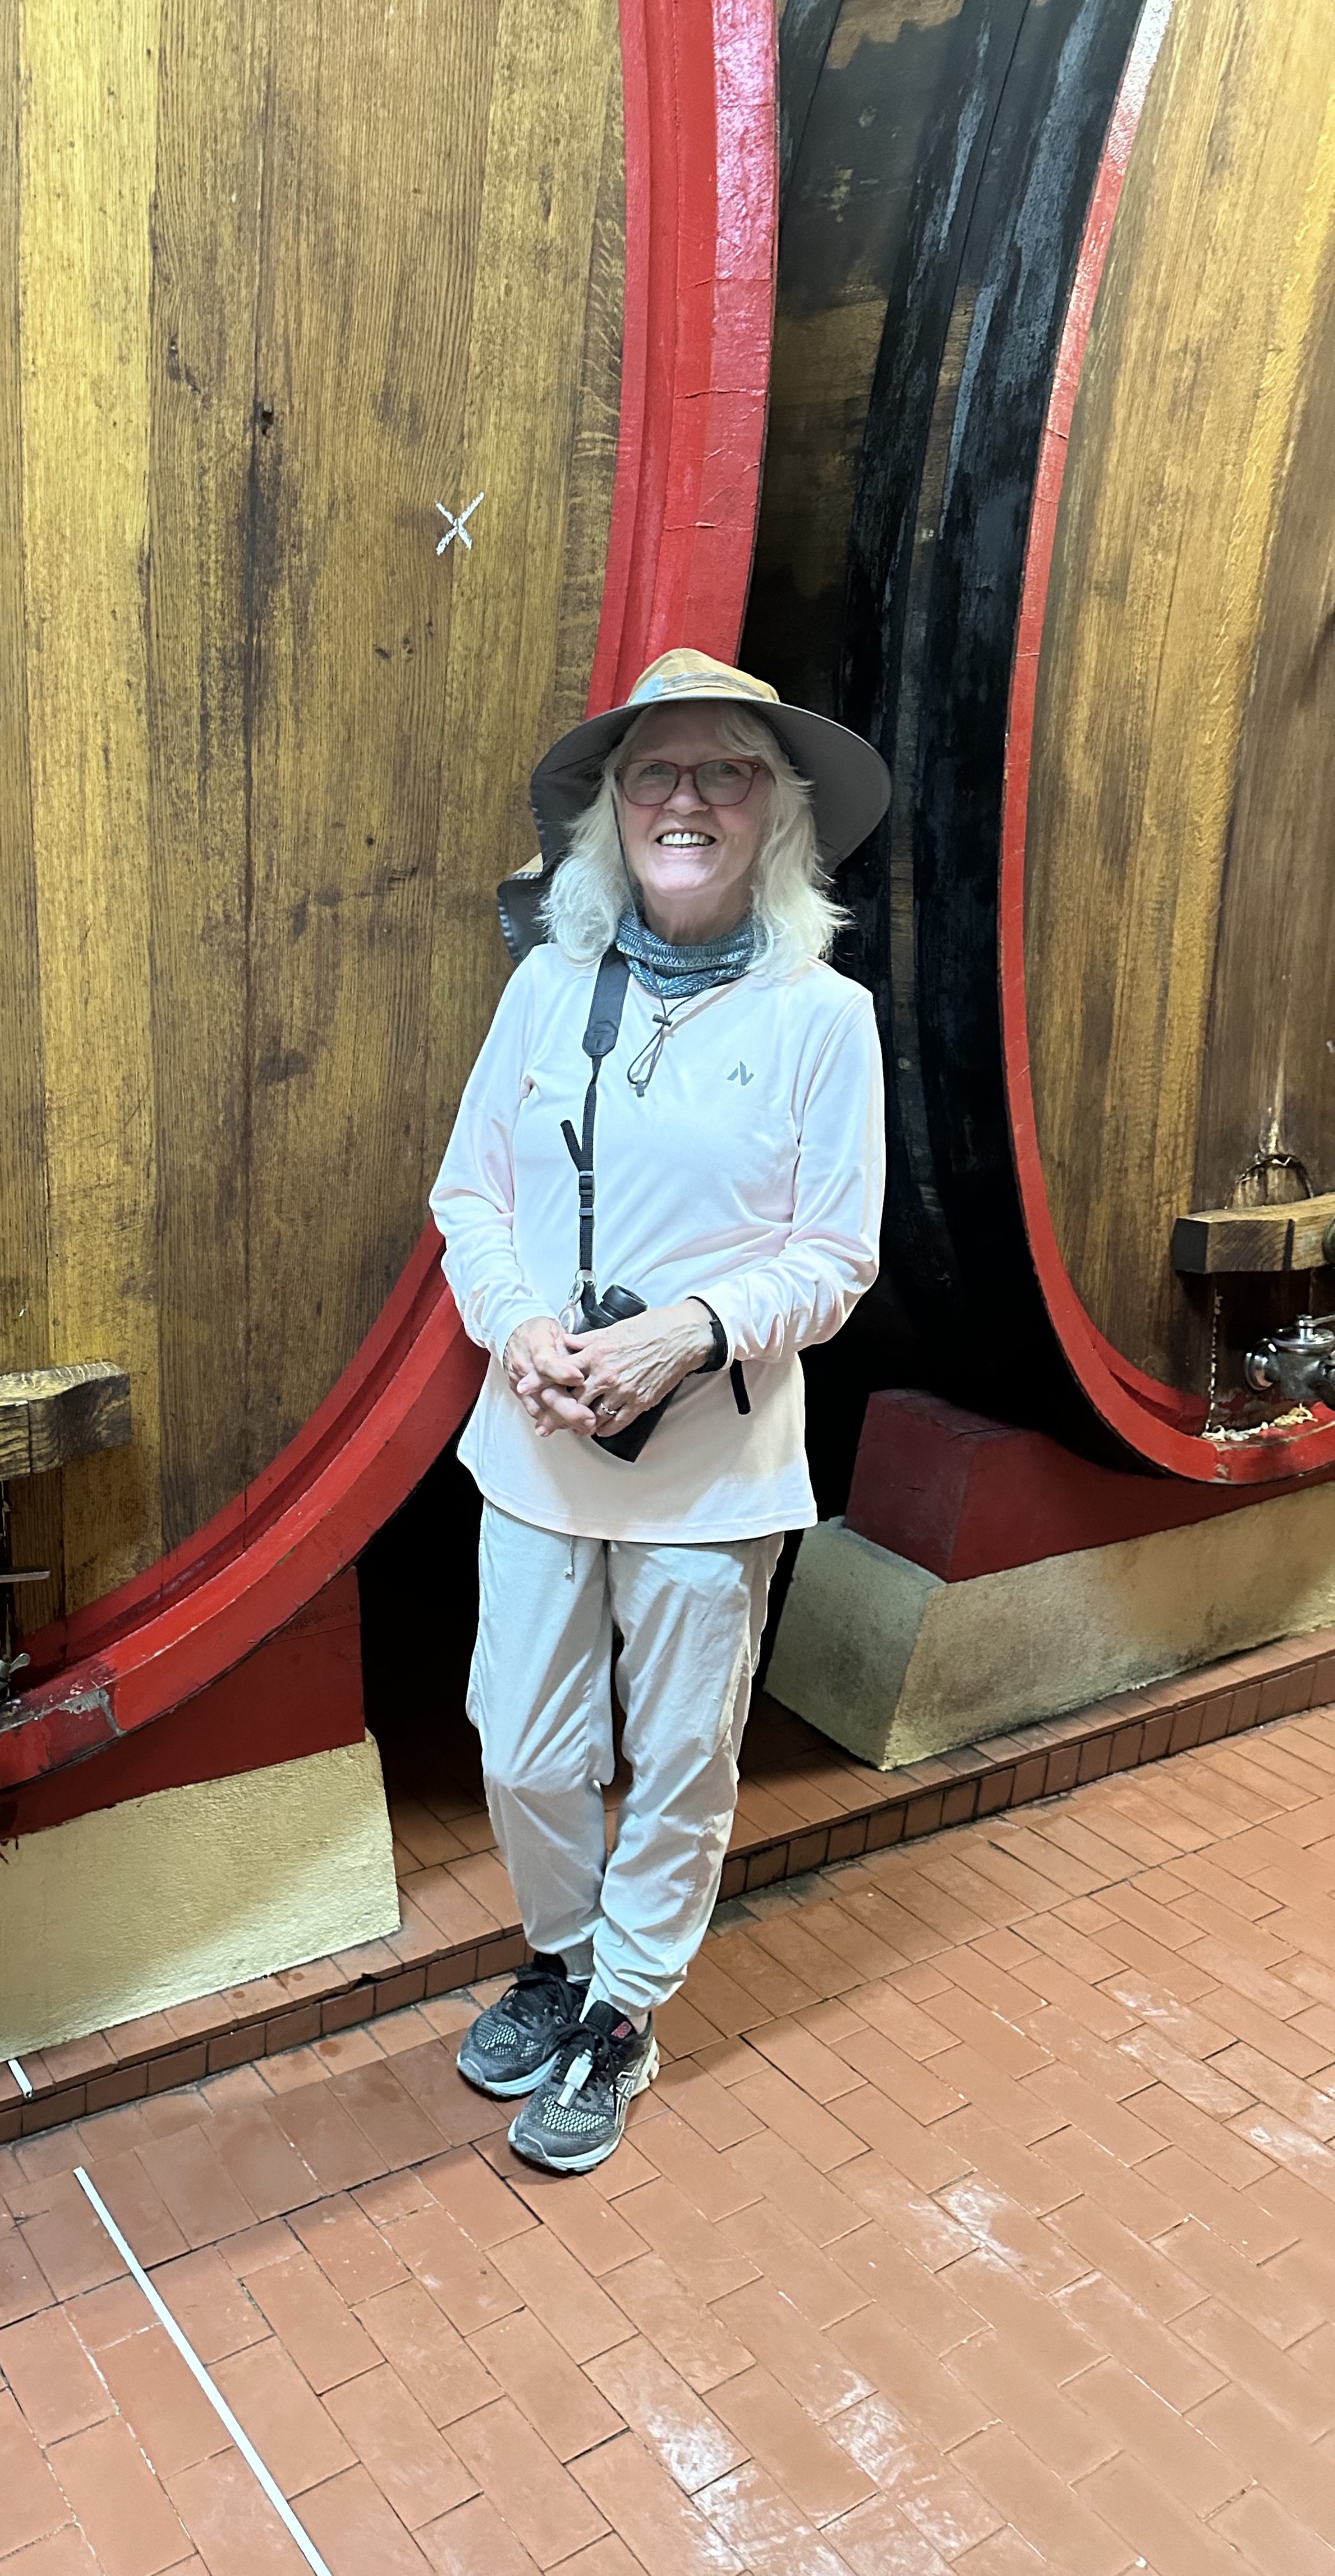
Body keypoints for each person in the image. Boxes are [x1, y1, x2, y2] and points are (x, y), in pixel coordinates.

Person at [428, 646, 890, 2174]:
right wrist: (518, 1328)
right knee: (522, 1746)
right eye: (655, 775)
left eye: (725, 773)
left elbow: (836, 1255)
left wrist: (686, 1334)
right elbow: (471, 1194)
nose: (686, 800)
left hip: (712, 1467)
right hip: (538, 1437)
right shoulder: (547, 988)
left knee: (682, 1754)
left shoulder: (824, 1018)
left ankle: (623, 2012)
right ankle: (562, 1956)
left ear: (776, 814)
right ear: (613, 811)